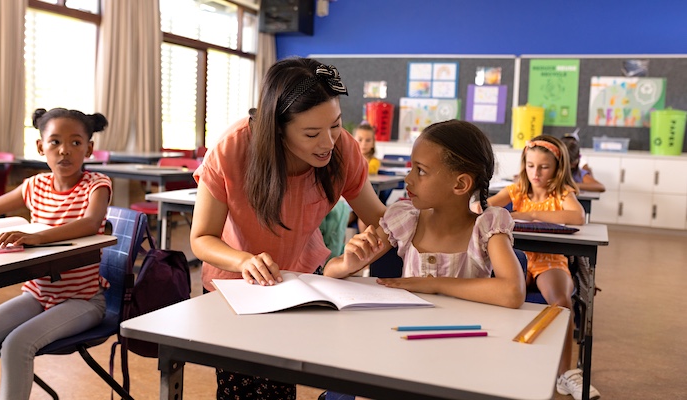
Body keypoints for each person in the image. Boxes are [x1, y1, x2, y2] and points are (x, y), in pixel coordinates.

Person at [189, 57, 386, 400]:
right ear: (277, 127)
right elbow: (202, 238)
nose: (328, 142)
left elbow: (380, 221)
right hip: (236, 287)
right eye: (311, 133)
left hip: (300, 282)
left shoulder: (343, 152)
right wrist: (243, 261)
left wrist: (367, 247)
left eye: (336, 125)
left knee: (281, 383)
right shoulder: (233, 149)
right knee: (245, 390)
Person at [324, 119, 526, 308]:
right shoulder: (405, 221)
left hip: (465, 337)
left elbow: (513, 292)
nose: (408, 179)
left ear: (460, 184)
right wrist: (348, 264)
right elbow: (330, 272)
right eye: (411, 168)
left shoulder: (488, 227)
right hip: (409, 334)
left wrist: (434, 284)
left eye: (420, 171)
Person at [0, 107, 112, 400]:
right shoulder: (35, 185)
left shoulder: (97, 185)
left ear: (89, 149)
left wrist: (36, 237)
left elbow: (91, 223)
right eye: (55, 142)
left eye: (75, 142)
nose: (64, 151)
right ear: (41, 147)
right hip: (36, 295)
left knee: (17, 344)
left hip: (82, 300)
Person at [487, 135, 600, 400]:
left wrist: (528, 214)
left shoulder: (562, 193)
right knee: (501, 295)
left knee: (560, 302)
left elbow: (576, 217)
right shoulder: (516, 190)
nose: (535, 173)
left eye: (544, 167)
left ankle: (566, 374)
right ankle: (498, 358)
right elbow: (486, 208)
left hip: (550, 262)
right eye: (530, 166)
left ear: (558, 168)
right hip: (519, 258)